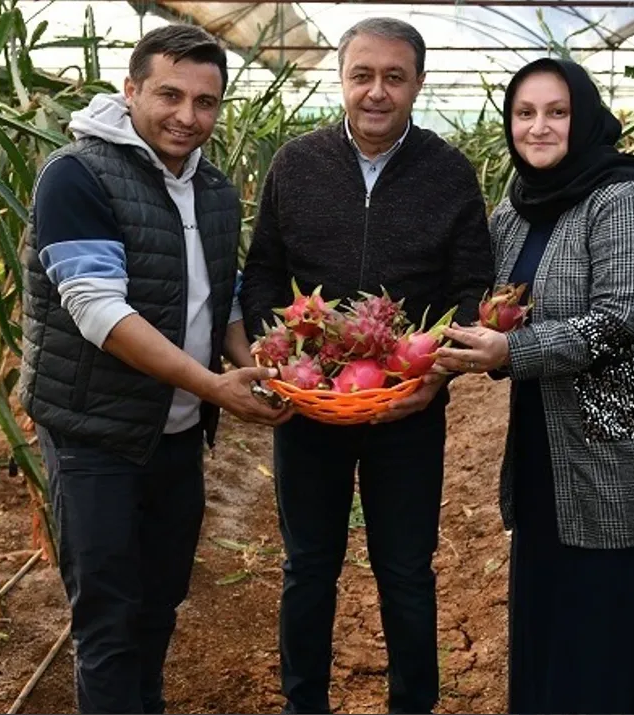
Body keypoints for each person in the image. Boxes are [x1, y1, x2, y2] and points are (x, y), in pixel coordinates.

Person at [18, 24, 290, 714]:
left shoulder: (215, 191)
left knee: (160, 602)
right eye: (169, 94)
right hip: (97, 433)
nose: (187, 116)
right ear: (131, 89)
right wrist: (212, 388)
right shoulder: (77, 176)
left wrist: (248, 362)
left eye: (205, 102)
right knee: (107, 617)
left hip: (173, 433)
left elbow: (218, 293)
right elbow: (98, 312)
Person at [239, 17, 494, 714]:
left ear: (417, 83)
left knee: (406, 570)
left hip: (410, 405)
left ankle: (413, 704)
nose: (376, 92)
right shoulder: (296, 163)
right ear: (342, 78)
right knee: (308, 566)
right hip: (311, 403)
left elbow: (472, 283)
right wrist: (281, 352)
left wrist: (436, 372)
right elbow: (263, 270)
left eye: (394, 77)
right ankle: (304, 704)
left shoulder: (448, 171)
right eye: (362, 75)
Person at [436, 58, 634, 714]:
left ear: (582, 118)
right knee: (553, 613)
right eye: (524, 113)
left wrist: (509, 349)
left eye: (556, 112)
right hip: (547, 447)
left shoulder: (627, 198)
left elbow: (619, 322)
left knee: (609, 624)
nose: (538, 127)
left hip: (623, 452)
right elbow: (495, 299)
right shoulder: (519, 207)